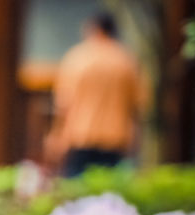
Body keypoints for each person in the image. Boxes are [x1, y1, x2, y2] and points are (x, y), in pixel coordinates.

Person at [48, 12, 144, 177]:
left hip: (80, 135)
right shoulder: (126, 60)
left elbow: (63, 103)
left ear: (94, 29)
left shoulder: (77, 58)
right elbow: (138, 103)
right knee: (110, 193)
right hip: (116, 137)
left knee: (76, 192)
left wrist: (56, 135)